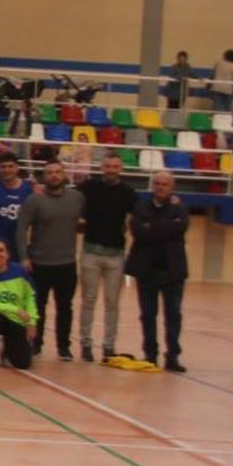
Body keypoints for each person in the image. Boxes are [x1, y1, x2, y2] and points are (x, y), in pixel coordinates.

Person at [15, 160, 85, 360]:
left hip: (66, 263)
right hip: (39, 263)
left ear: (64, 175)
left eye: (57, 172)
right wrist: (23, 257)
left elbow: (83, 221)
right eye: (49, 173)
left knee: (65, 307)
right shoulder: (34, 200)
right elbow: (21, 229)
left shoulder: (77, 198)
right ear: (44, 176)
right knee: (38, 307)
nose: (54, 176)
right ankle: (36, 343)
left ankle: (64, 347)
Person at [126, 171, 189, 372]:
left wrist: (152, 226)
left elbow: (179, 229)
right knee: (148, 315)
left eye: (165, 184)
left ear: (172, 187)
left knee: (173, 315)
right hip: (147, 270)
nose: (161, 187)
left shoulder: (181, 208)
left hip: (173, 271)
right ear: (153, 186)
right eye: (158, 183)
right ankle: (150, 354)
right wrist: (165, 226)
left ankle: (172, 357)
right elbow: (139, 231)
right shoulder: (141, 207)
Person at [77, 152, 137, 362]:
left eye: (115, 167)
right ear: (102, 167)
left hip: (115, 256)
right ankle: (85, 343)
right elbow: (70, 198)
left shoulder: (128, 193)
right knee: (88, 300)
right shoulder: (89, 187)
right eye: (108, 166)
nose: (111, 170)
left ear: (120, 169)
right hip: (90, 252)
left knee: (112, 302)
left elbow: (136, 218)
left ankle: (109, 346)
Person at [0, 239, 37, 370]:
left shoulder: (20, 272)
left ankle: (7, 349)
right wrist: (15, 309)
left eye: (1, 250)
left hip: (15, 321)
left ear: (8, 254)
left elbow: (30, 297)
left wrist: (32, 321)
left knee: (23, 364)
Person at [0, 151, 32, 260]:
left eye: (10, 166)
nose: (7, 170)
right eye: (3, 167)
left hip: (19, 244)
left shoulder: (28, 190)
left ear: (17, 168)